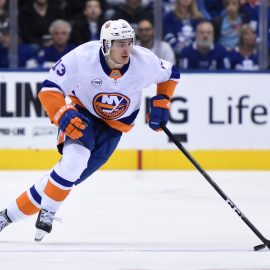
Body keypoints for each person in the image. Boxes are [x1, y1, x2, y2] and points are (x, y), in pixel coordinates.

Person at [0, 19, 180, 241]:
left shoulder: (143, 61)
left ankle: (6, 216)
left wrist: (163, 101)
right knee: (75, 161)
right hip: (82, 113)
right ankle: (48, 211)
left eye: (129, 43)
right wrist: (62, 113)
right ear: (105, 45)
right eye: (119, 44)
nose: (126, 49)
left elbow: (170, 74)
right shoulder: (82, 57)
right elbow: (49, 88)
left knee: (65, 177)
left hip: (115, 128)